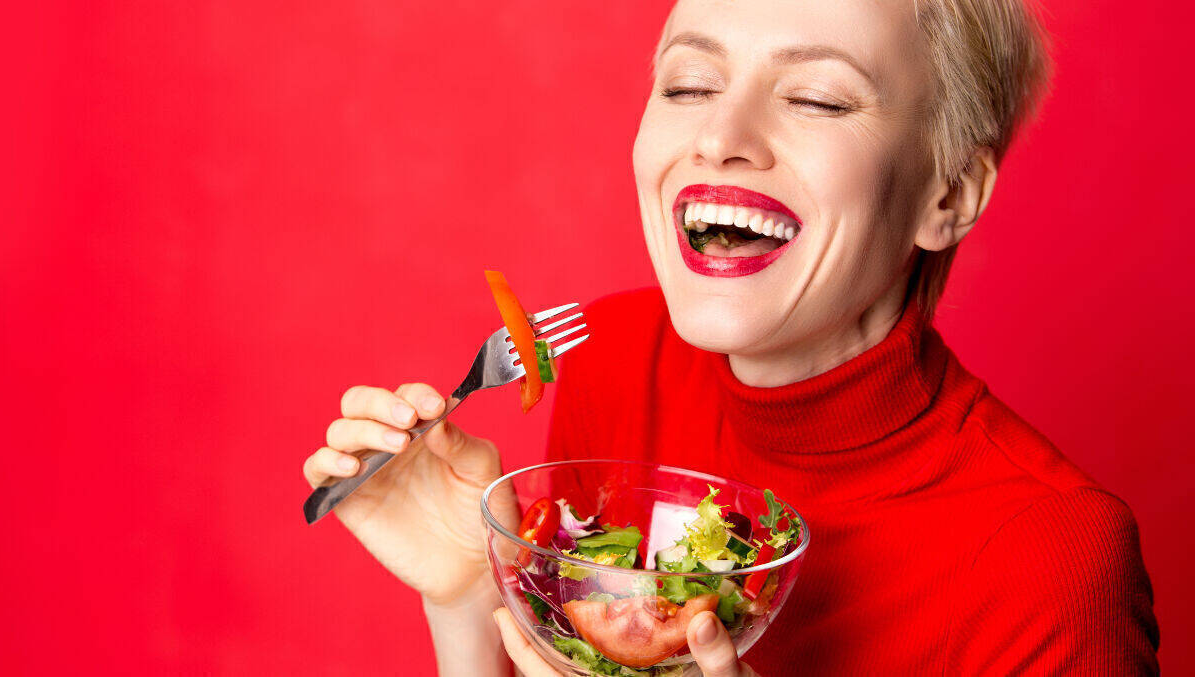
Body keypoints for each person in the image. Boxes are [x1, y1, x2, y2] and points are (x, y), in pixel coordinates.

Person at [302, 0, 1160, 673]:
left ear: (948, 194)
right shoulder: (613, 358)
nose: (720, 136)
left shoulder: (1054, 560)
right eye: (688, 85)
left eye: (818, 97)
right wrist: (466, 599)